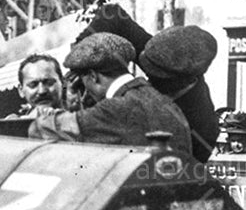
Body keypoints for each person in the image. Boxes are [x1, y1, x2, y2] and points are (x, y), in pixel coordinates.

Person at [75, 5, 219, 162]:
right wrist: (80, 61)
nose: (147, 80)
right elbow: (112, 14)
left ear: (178, 81)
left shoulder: (203, 128)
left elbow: (176, 176)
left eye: (153, 77)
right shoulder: (160, 53)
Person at [28, 32, 192, 156]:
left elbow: (40, 129)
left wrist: (66, 109)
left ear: (92, 76)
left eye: (83, 81)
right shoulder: (167, 104)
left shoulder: (114, 109)